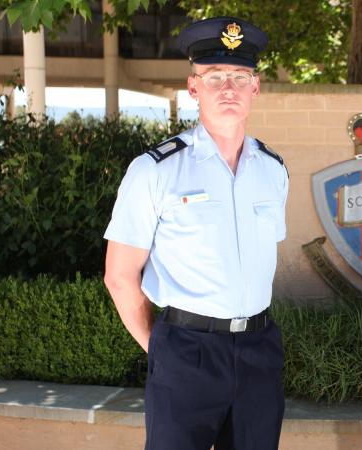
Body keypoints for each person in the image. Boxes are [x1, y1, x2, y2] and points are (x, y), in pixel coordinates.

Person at [103, 16, 288, 450]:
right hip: (186, 351)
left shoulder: (273, 170)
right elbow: (119, 274)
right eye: (215, 76)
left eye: (240, 77)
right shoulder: (155, 170)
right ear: (193, 87)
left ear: (255, 88)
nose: (228, 87)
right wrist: (163, 352)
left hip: (259, 352)